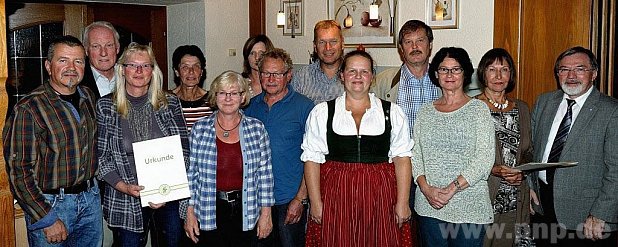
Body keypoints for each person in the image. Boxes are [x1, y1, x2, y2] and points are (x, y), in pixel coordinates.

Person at [302, 50, 414, 246]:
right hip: (336, 194)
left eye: (364, 71)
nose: (358, 77)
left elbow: (402, 159)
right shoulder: (322, 112)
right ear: (342, 75)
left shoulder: (392, 112)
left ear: (372, 77)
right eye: (352, 71)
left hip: (381, 196)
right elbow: (312, 160)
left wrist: (403, 202)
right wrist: (316, 203)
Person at [3, 35, 102, 246]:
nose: (71, 67)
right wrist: (46, 218)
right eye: (63, 60)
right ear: (49, 66)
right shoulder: (29, 108)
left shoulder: (89, 97)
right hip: (52, 205)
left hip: (90, 200)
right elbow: (19, 170)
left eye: (78, 61)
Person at [96, 42, 189, 246]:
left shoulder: (170, 103)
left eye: (146, 66)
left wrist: (165, 188)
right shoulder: (105, 106)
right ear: (122, 70)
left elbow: (184, 150)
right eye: (133, 65)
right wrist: (125, 187)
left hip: (169, 196)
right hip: (125, 197)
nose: (139, 71)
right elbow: (101, 159)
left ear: (153, 71)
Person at [528, 46, 618, 246]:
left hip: (587, 217)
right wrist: (528, 186)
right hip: (542, 208)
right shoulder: (544, 102)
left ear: (593, 74)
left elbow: (616, 170)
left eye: (579, 69)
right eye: (564, 69)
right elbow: (530, 149)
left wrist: (600, 213)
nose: (571, 76)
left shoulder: (611, 111)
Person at [413, 47, 495, 246]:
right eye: (443, 69)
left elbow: (484, 159)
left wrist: (451, 190)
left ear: (465, 73)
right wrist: (426, 189)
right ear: (435, 74)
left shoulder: (479, 110)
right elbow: (415, 156)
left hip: (469, 207)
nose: (449, 75)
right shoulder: (425, 112)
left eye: (456, 69)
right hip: (429, 206)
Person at [184, 71, 275, 246]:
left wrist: (266, 214)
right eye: (222, 93)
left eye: (234, 93)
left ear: (243, 97)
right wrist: (189, 213)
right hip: (209, 208)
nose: (228, 98)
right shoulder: (199, 129)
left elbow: (265, 175)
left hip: (247, 209)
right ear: (215, 96)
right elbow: (192, 175)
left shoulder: (257, 129)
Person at [244, 48, 314, 247]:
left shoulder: (305, 107)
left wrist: (300, 199)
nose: (271, 78)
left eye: (278, 74)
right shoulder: (250, 107)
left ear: (289, 75)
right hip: (256, 199)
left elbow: (313, 158)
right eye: (266, 73)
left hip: (289, 200)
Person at [474, 48, 534, 247]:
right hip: (486, 196)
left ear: (511, 74)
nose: (499, 76)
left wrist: (522, 171)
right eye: (492, 69)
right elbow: (464, 156)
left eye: (505, 69)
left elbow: (529, 151)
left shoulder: (522, 108)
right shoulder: (472, 108)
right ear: (483, 73)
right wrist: (493, 169)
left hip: (518, 198)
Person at [291, 20, 345, 104]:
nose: (328, 47)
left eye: (333, 41)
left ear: (342, 43)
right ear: (315, 46)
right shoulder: (301, 77)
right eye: (322, 42)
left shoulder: (355, 76)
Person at [171, 45, 213, 131]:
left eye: (196, 66)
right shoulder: (167, 101)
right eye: (185, 67)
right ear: (177, 72)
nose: (191, 71)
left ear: (201, 72)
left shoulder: (212, 101)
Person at [81, 21, 121, 99]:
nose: (103, 53)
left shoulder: (129, 76)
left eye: (109, 45)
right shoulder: (79, 81)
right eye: (96, 46)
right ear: (86, 50)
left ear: (117, 48)